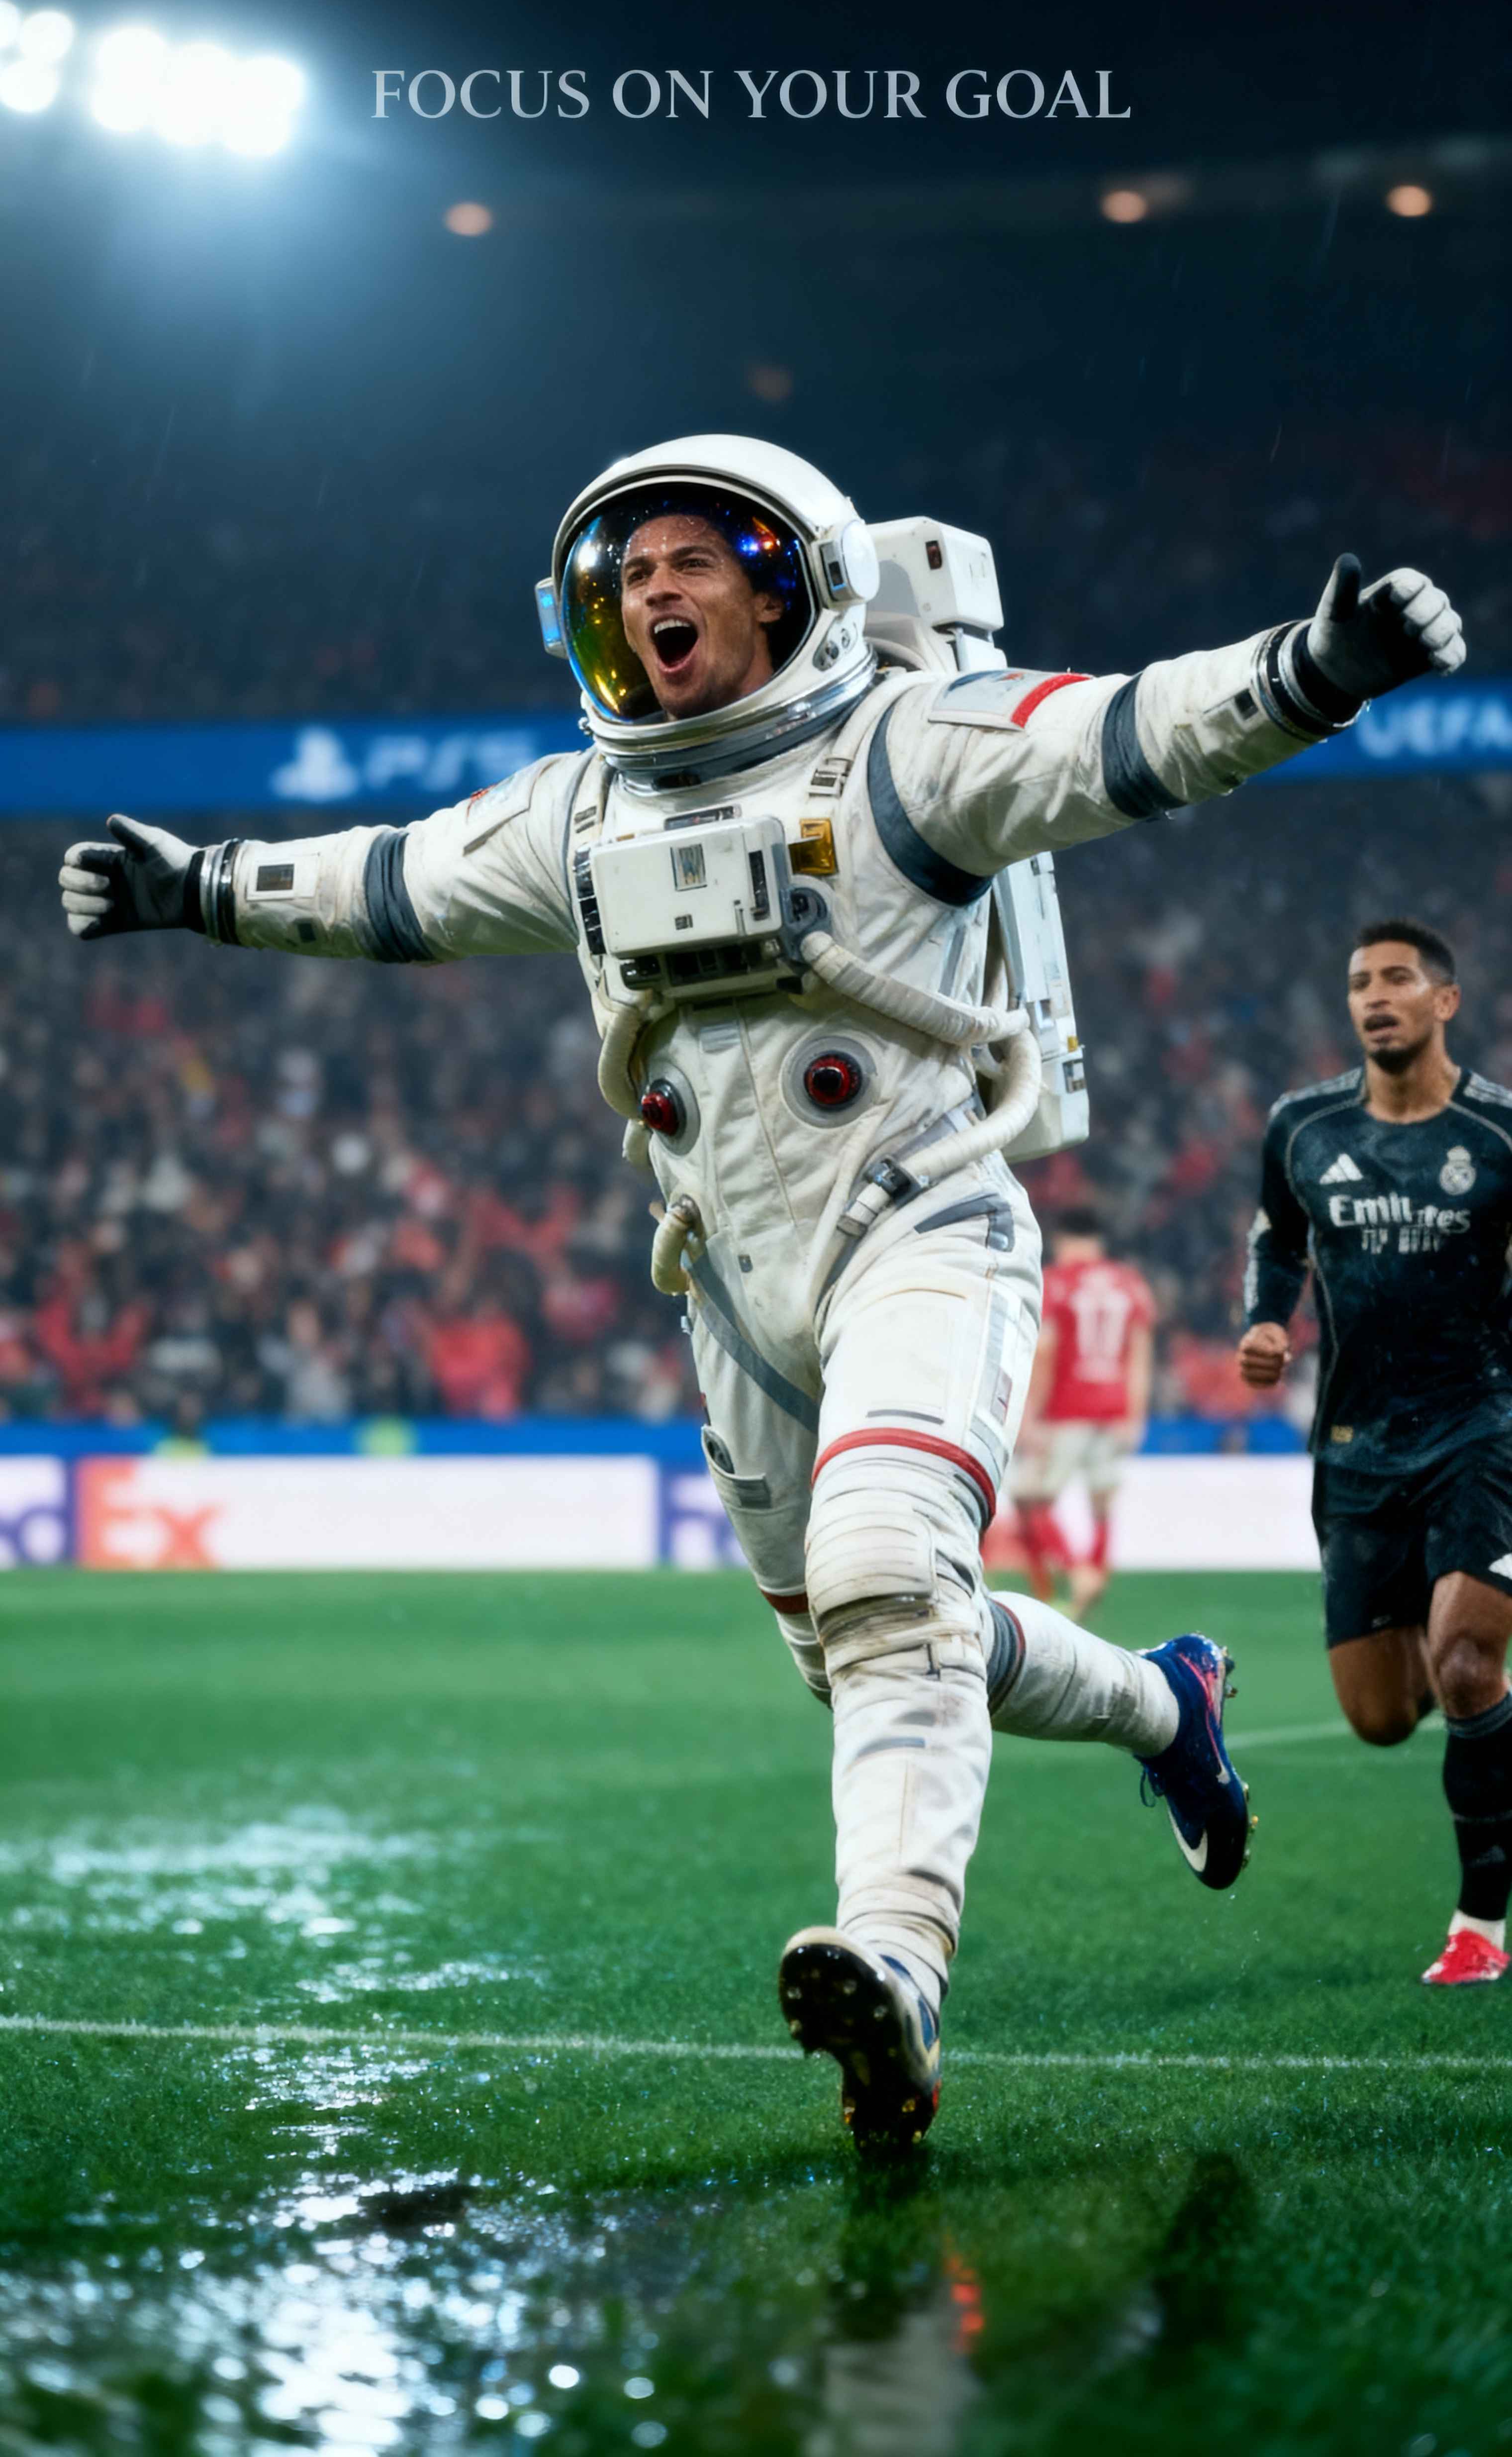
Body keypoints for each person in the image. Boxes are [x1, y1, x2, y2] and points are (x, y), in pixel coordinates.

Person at [59, 434, 1464, 2145]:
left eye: (693, 557)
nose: (653, 586)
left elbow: (1126, 736)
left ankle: (899, 1964)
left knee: (888, 1586)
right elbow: (393, 882)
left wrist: (1311, 673)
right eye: (625, 570)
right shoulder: (577, 809)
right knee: (870, 1647)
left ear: (797, 578)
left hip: (922, 1232)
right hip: (732, 1298)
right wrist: (195, 888)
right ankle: (1170, 1700)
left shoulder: (902, 746)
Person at [1238, 919, 1512, 1987]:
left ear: (1442, 1001)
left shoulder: (1496, 1137)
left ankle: (1478, 1925)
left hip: (1479, 1429)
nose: (1373, 997)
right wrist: (1265, 1320)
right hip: (1352, 1447)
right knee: (1381, 1716)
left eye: (1396, 979)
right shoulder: (1300, 1127)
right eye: (1358, 982)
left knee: (1462, 1660)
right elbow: (1276, 1238)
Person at [1010, 1206, 1154, 1619]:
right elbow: (1141, 1358)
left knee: (1030, 1499)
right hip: (1115, 1408)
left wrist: (1030, 1415)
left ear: (1064, 1241)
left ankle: (1074, 1575)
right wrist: (1136, 1415)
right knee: (1102, 1502)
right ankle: (1091, 1574)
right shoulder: (1132, 1285)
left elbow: (1047, 1352)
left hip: (1066, 1410)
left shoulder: (1057, 1284)